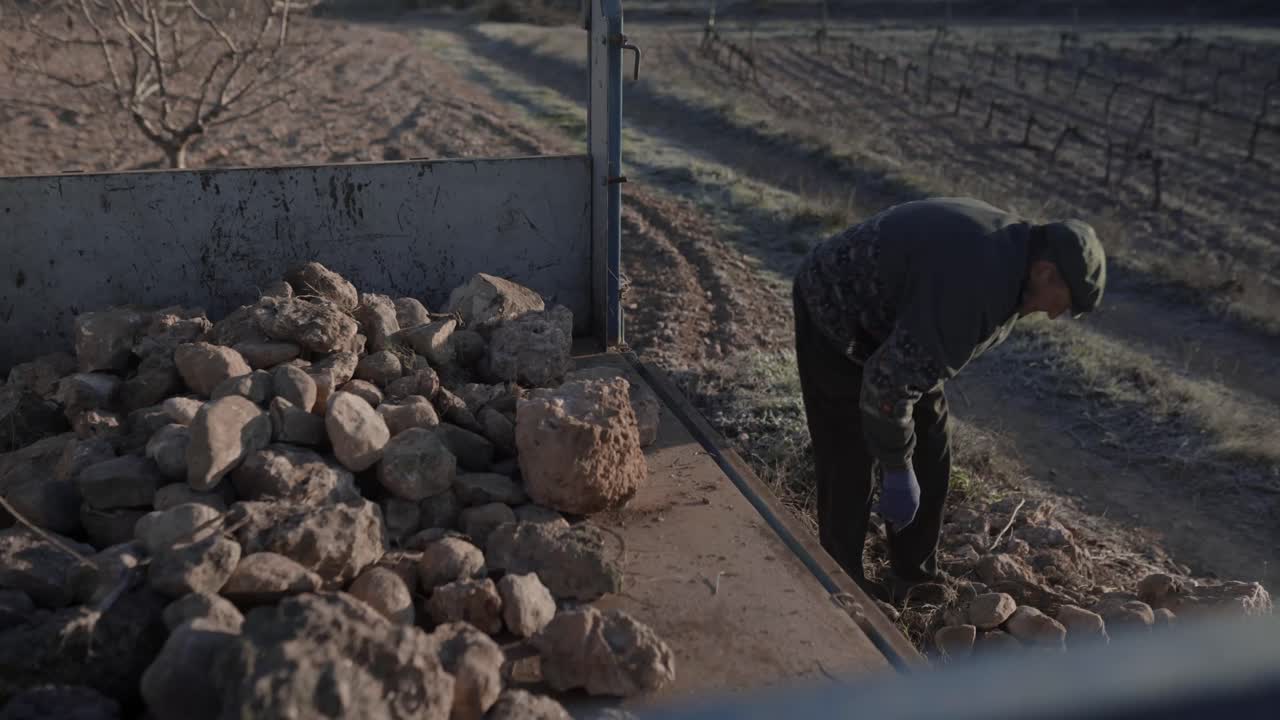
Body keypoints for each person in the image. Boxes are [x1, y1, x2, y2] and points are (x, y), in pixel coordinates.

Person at [791, 196, 1106, 601]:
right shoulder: (978, 282)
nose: (1056, 316)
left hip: (897, 326)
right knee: (848, 454)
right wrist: (897, 466)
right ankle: (841, 583)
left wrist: (907, 459)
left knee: (932, 444)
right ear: (1047, 273)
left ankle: (913, 574)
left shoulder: (1016, 263)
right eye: (1064, 305)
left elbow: (913, 363)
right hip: (834, 307)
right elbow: (888, 384)